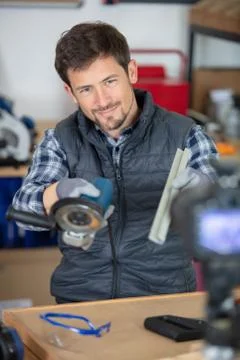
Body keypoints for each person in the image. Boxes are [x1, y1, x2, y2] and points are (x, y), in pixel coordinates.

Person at [12, 21, 218, 304]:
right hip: (81, 299)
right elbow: (24, 209)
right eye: (86, 89)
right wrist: (56, 193)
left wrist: (207, 193)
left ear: (131, 72)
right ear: (71, 93)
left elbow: (224, 225)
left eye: (109, 82)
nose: (102, 100)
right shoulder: (60, 139)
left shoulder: (185, 135)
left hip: (164, 300)